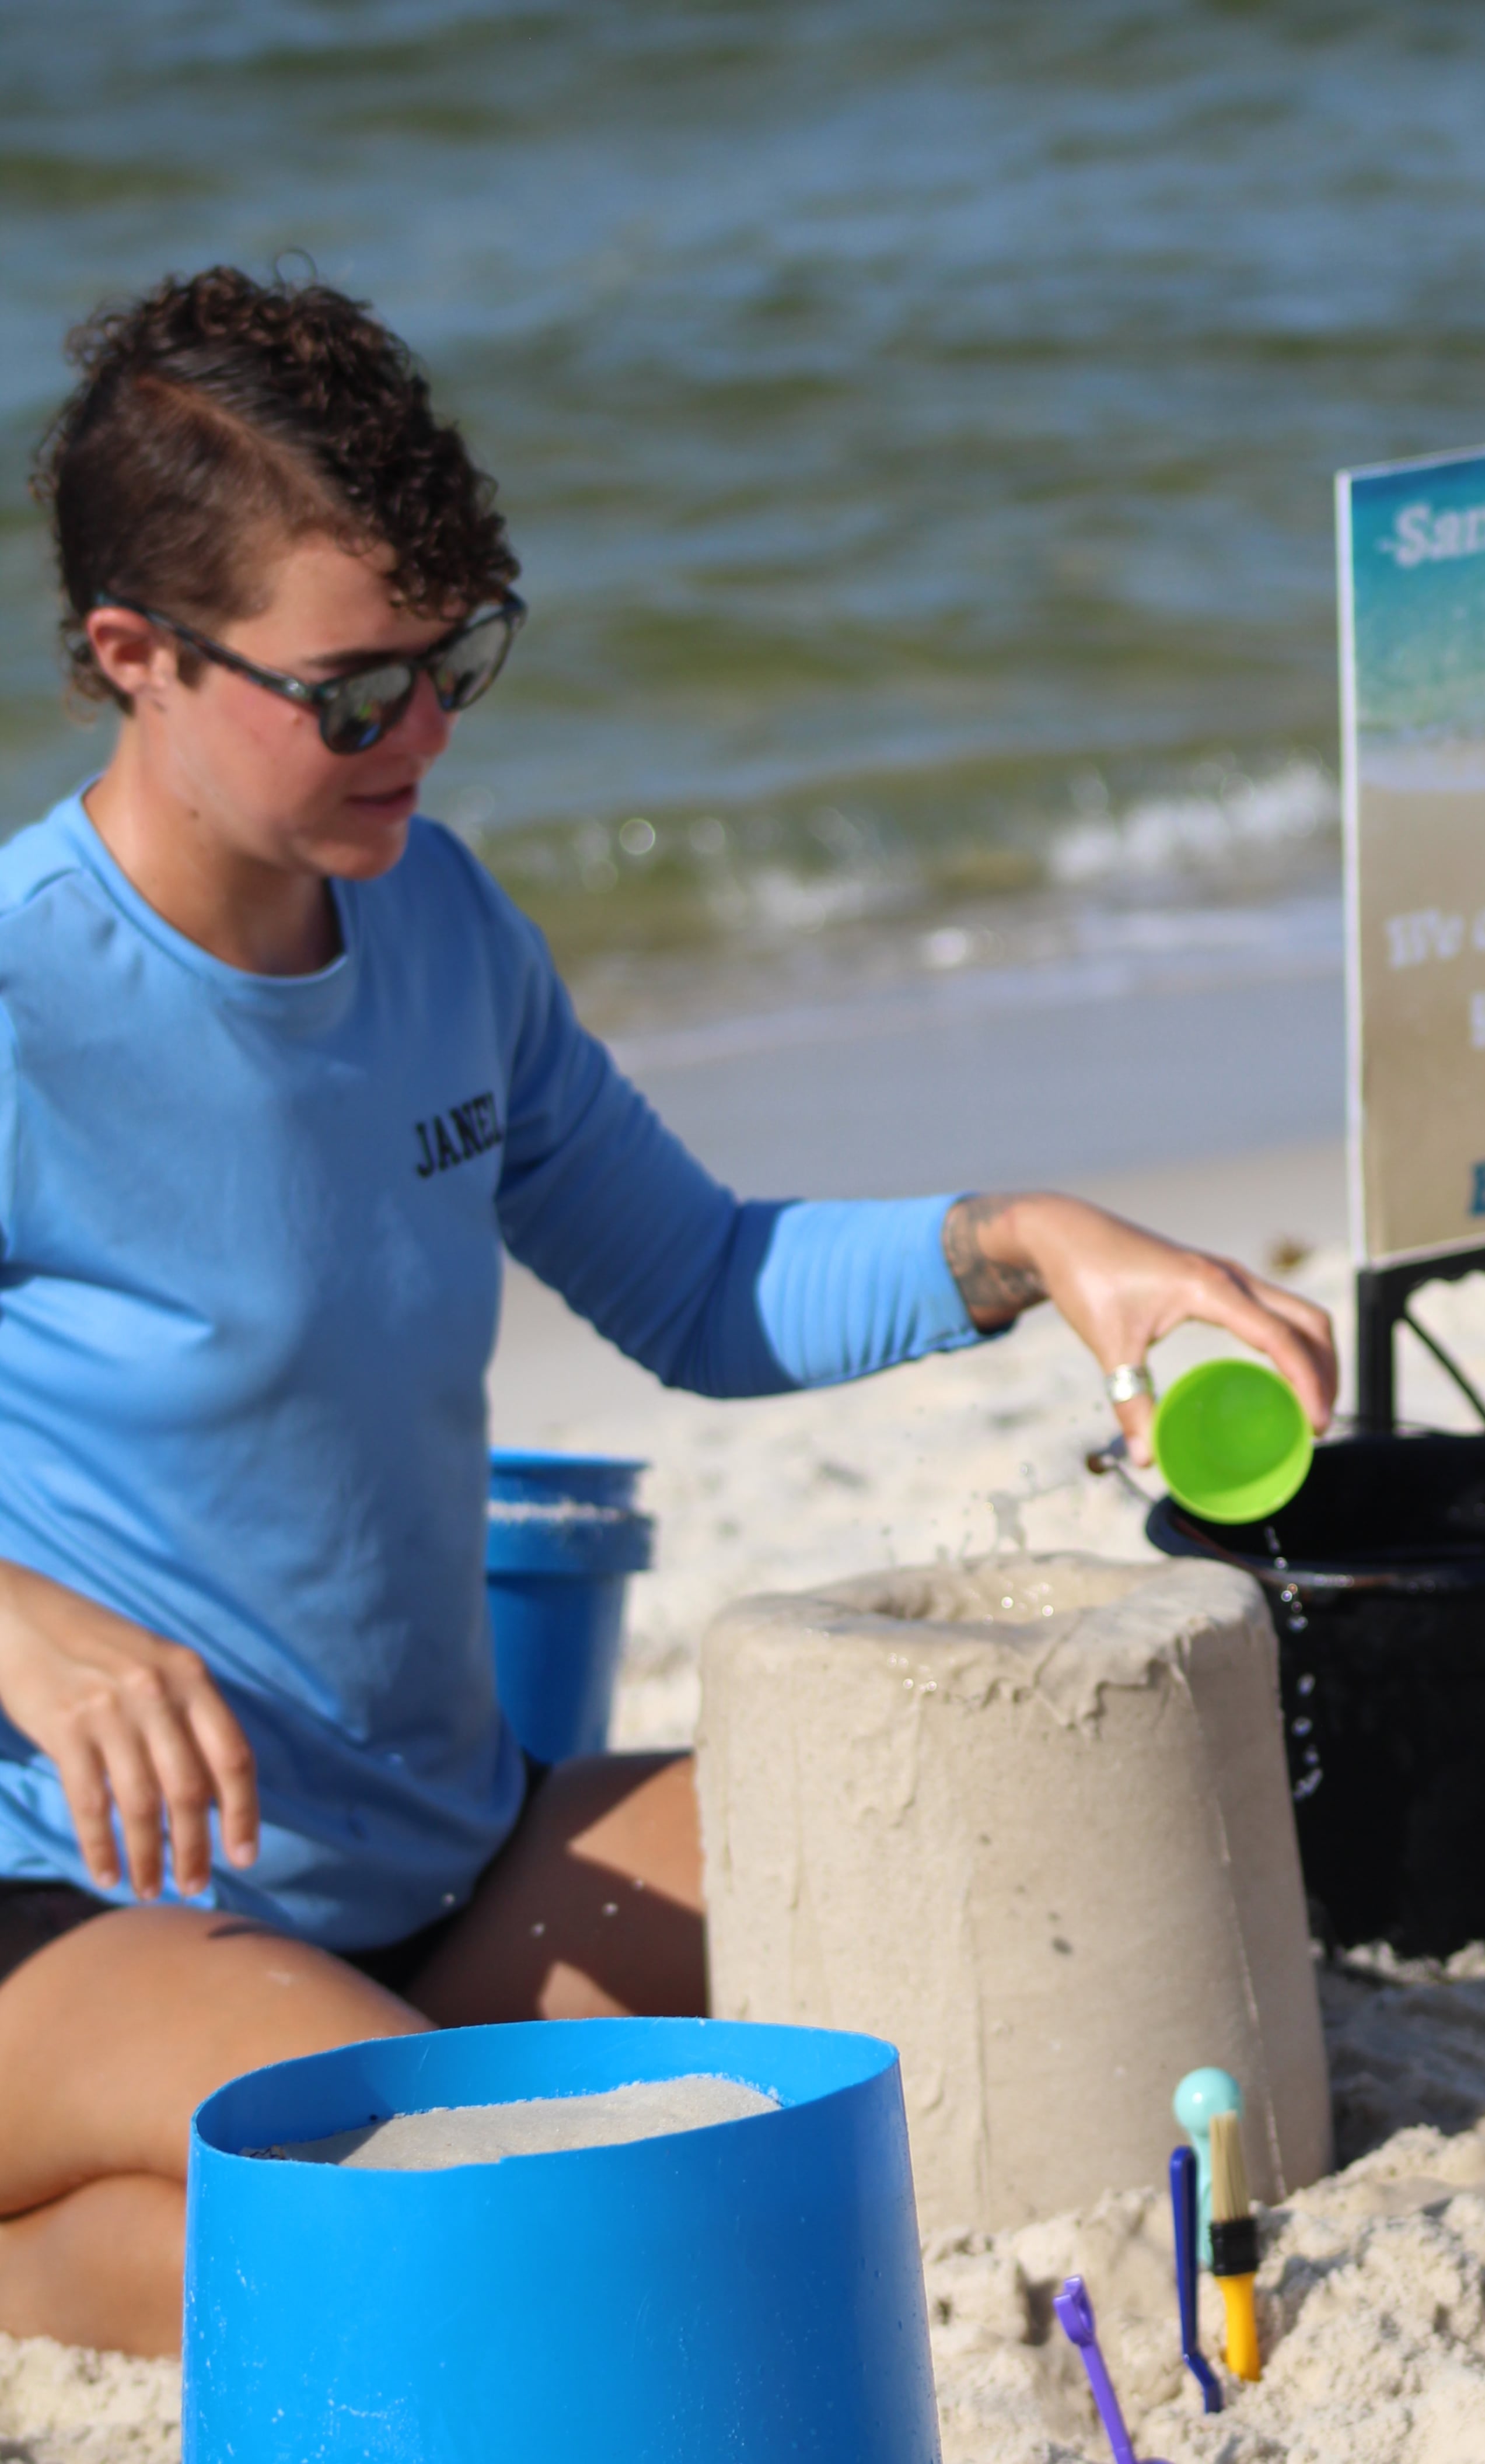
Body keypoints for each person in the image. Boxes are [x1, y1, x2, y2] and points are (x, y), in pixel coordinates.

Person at [0, 268, 1336, 2360]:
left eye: (456, 664)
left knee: (991, 1894)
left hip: (448, 1861)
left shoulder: (438, 925)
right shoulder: (23, 1001)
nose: (424, 737)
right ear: (134, 656)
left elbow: (703, 1285)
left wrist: (1036, 1242)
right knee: (496, 2233)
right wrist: (24, 1621)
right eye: (355, 694)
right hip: (84, 1929)